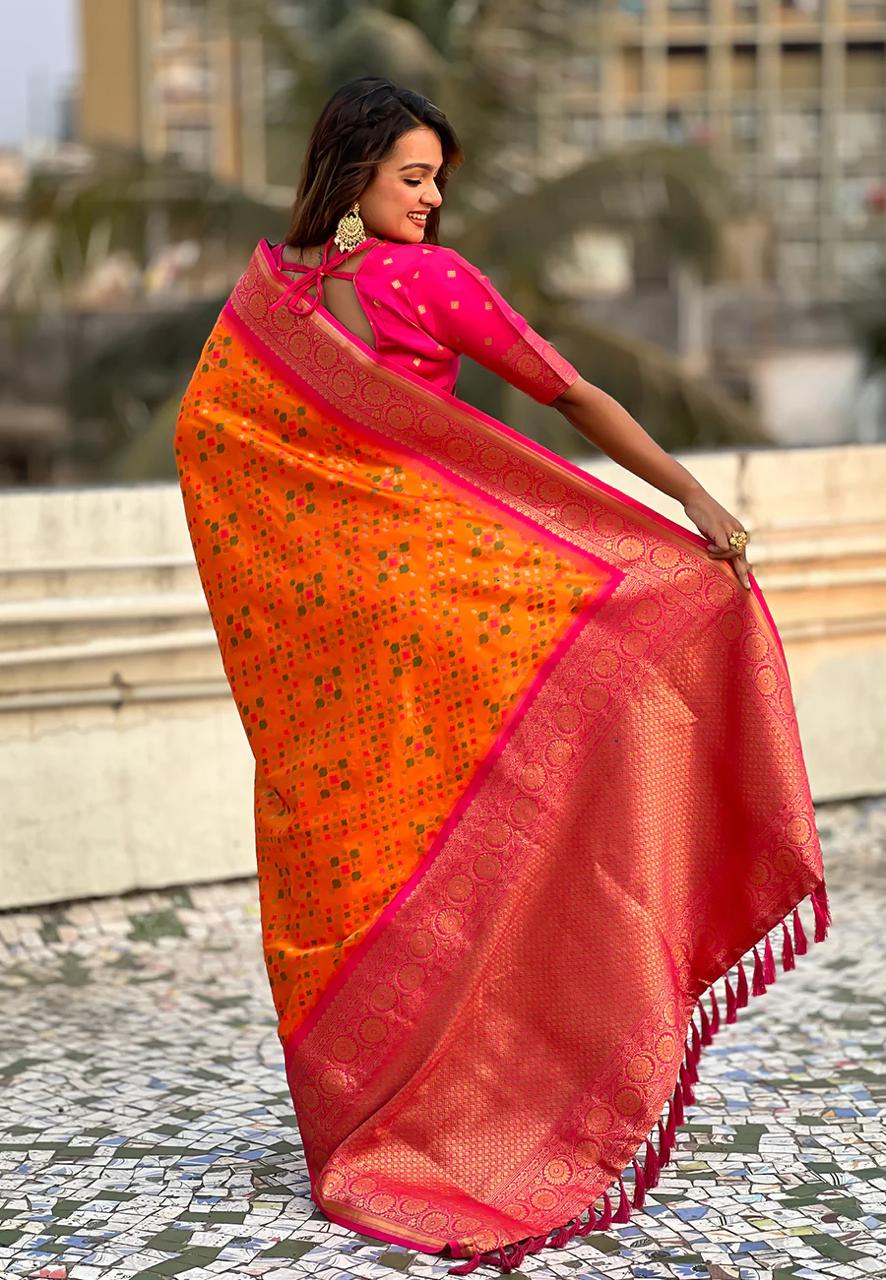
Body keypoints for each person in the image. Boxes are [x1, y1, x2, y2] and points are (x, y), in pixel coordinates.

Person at [174, 77, 829, 1275]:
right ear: (358, 169)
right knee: (511, 826)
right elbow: (565, 391)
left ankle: (378, 1116)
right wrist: (686, 495)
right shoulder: (424, 281)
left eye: (439, 180)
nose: (431, 199)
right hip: (439, 618)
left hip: (349, 650)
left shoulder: (271, 299)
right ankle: (509, 1086)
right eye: (414, 175)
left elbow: (206, 442)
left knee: (375, 863)